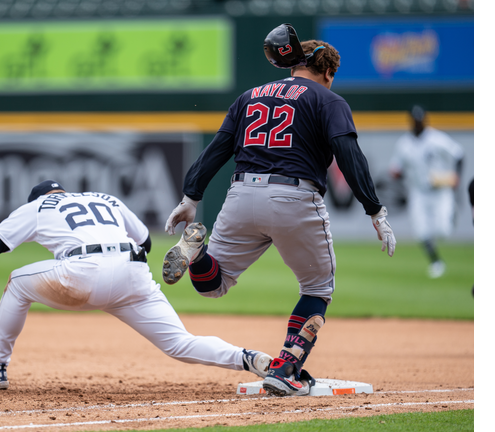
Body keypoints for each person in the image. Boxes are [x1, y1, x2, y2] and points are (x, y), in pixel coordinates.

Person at [161, 24, 396, 397]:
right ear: (329, 72)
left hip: (241, 194)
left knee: (213, 284)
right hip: (294, 197)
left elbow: (218, 149)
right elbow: (349, 155)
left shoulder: (249, 96)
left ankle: (196, 251)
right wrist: (375, 210)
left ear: (292, 65)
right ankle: (286, 367)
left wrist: (191, 197)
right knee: (318, 287)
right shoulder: (327, 99)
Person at [0, 180, 274, 390]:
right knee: (179, 343)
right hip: (132, 271)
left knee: (17, 282)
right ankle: (250, 358)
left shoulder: (40, 206)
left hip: (82, 272)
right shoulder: (104, 198)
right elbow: (146, 244)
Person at [389, 105, 464, 278]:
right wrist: (396, 173)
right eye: (415, 121)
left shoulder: (436, 139)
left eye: (420, 120)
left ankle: (453, 211)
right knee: (421, 231)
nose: (418, 124)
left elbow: (459, 155)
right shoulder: (404, 144)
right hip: (419, 192)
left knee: (443, 230)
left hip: (440, 191)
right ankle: (436, 261)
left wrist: (456, 177)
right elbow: (396, 168)